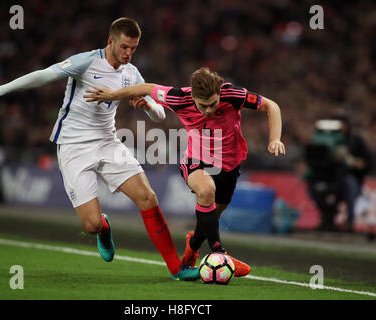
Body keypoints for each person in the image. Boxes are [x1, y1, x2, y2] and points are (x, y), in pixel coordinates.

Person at [0, 17, 200, 281]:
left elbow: (160, 114)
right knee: (90, 225)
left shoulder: (131, 73)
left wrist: (147, 106)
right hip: (73, 146)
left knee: (148, 198)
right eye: (124, 47)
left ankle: (177, 269)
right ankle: (103, 228)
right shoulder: (86, 61)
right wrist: (1, 89)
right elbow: (44, 76)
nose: (128, 53)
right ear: (111, 41)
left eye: (133, 49)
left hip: (108, 142)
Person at [84, 66, 286, 277]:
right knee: (206, 191)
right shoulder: (179, 98)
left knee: (212, 217)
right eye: (203, 106)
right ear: (194, 96)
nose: (208, 110)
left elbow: (272, 106)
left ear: (219, 93)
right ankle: (219, 253)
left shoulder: (233, 94)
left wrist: (275, 139)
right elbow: (147, 87)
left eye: (213, 104)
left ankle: (193, 247)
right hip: (195, 161)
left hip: (230, 165)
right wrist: (113, 94)